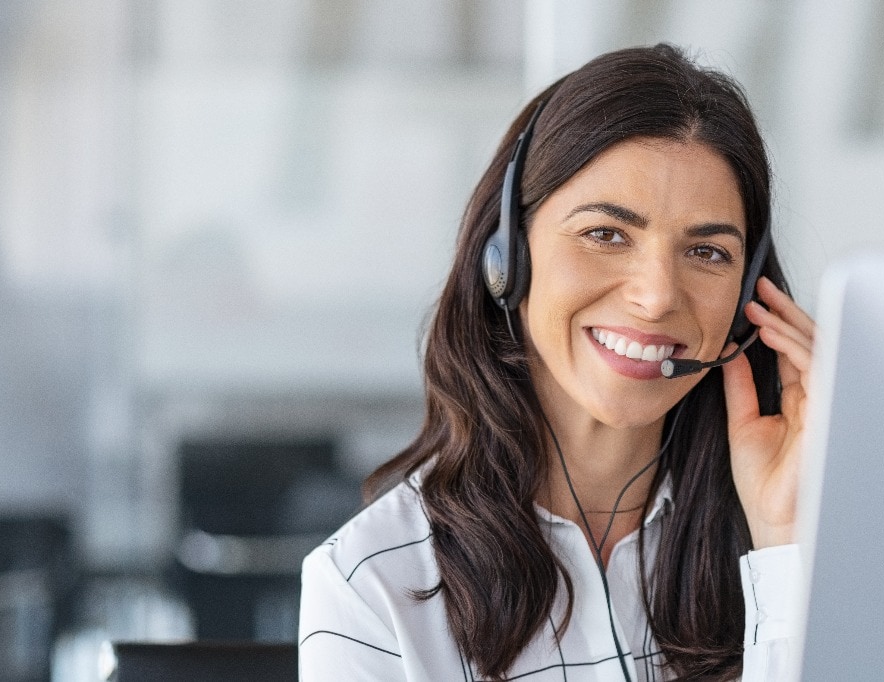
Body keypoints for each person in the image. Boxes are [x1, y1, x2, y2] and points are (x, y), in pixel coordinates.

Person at [299, 43, 814, 681]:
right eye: (605, 234)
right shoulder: (372, 583)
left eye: (707, 251)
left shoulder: (801, 547)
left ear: (745, 300)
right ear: (507, 258)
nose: (656, 297)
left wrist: (784, 540)